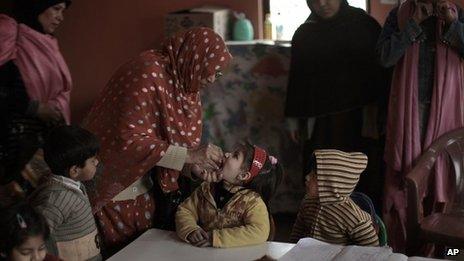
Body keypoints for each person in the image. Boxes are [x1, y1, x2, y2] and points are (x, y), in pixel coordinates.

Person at [82, 27, 232, 254]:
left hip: (146, 189)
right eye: (208, 70)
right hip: (116, 190)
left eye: (217, 74)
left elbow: (173, 145)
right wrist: (191, 155)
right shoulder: (147, 72)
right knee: (125, 254)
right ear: (193, 57)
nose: (211, 78)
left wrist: (192, 168)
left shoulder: (186, 82)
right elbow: (127, 141)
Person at [284, 0, 389, 211]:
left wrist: (381, 115)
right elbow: (297, 80)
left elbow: (381, 76)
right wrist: (293, 119)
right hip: (321, 125)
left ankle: (364, 227)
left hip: (360, 121)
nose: (321, 4)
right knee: (321, 175)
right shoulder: (305, 34)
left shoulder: (365, 26)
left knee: (362, 177)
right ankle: (322, 227)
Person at [377, 0, 464, 252]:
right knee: (404, 181)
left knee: (442, 177)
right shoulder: (399, 15)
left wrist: (453, 25)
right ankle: (405, 249)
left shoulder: (458, 13)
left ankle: (444, 250)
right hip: (408, 116)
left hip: (446, 116)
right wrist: (413, 24)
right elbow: (384, 58)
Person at [0, 0, 72, 194]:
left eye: (63, 11)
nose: (60, 17)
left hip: (39, 141)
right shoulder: (9, 33)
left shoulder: (47, 42)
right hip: (11, 143)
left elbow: (61, 89)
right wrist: (35, 108)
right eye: (56, 9)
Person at [175, 141, 283, 248]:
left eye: (235, 155)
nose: (226, 154)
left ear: (243, 175)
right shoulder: (207, 188)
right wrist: (190, 230)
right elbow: (186, 210)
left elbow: (259, 231)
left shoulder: (252, 201)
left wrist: (216, 238)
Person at [29, 126, 102, 261]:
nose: (97, 162)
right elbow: (33, 235)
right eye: (92, 161)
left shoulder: (73, 184)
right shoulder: (56, 199)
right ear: (74, 171)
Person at [290, 149, 379, 246]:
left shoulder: (352, 216)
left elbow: (372, 249)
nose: (307, 177)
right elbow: (297, 231)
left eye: (314, 176)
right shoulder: (307, 202)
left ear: (331, 185)